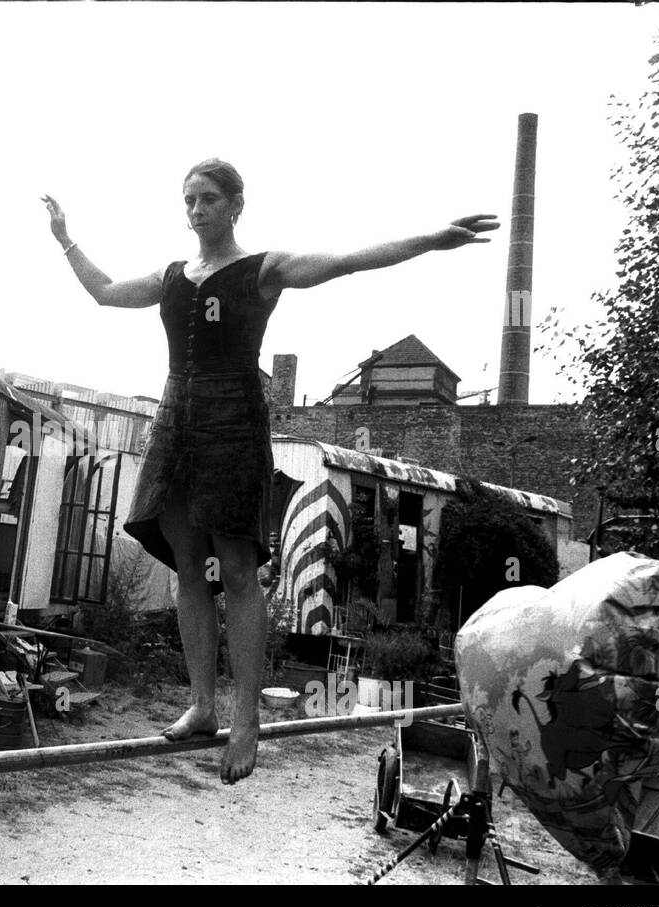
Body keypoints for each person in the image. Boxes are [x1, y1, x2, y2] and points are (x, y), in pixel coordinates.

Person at [41, 159, 497, 784]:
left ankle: (246, 720)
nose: (196, 210)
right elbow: (105, 291)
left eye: (207, 199)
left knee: (235, 568)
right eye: (188, 201)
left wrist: (432, 240)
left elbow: (347, 261)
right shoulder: (173, 277)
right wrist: (66, 238)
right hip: (177, 420)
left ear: (235, 206)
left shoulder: (263, 271)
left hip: (233, 418)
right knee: (185, 568)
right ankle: (203, 705)